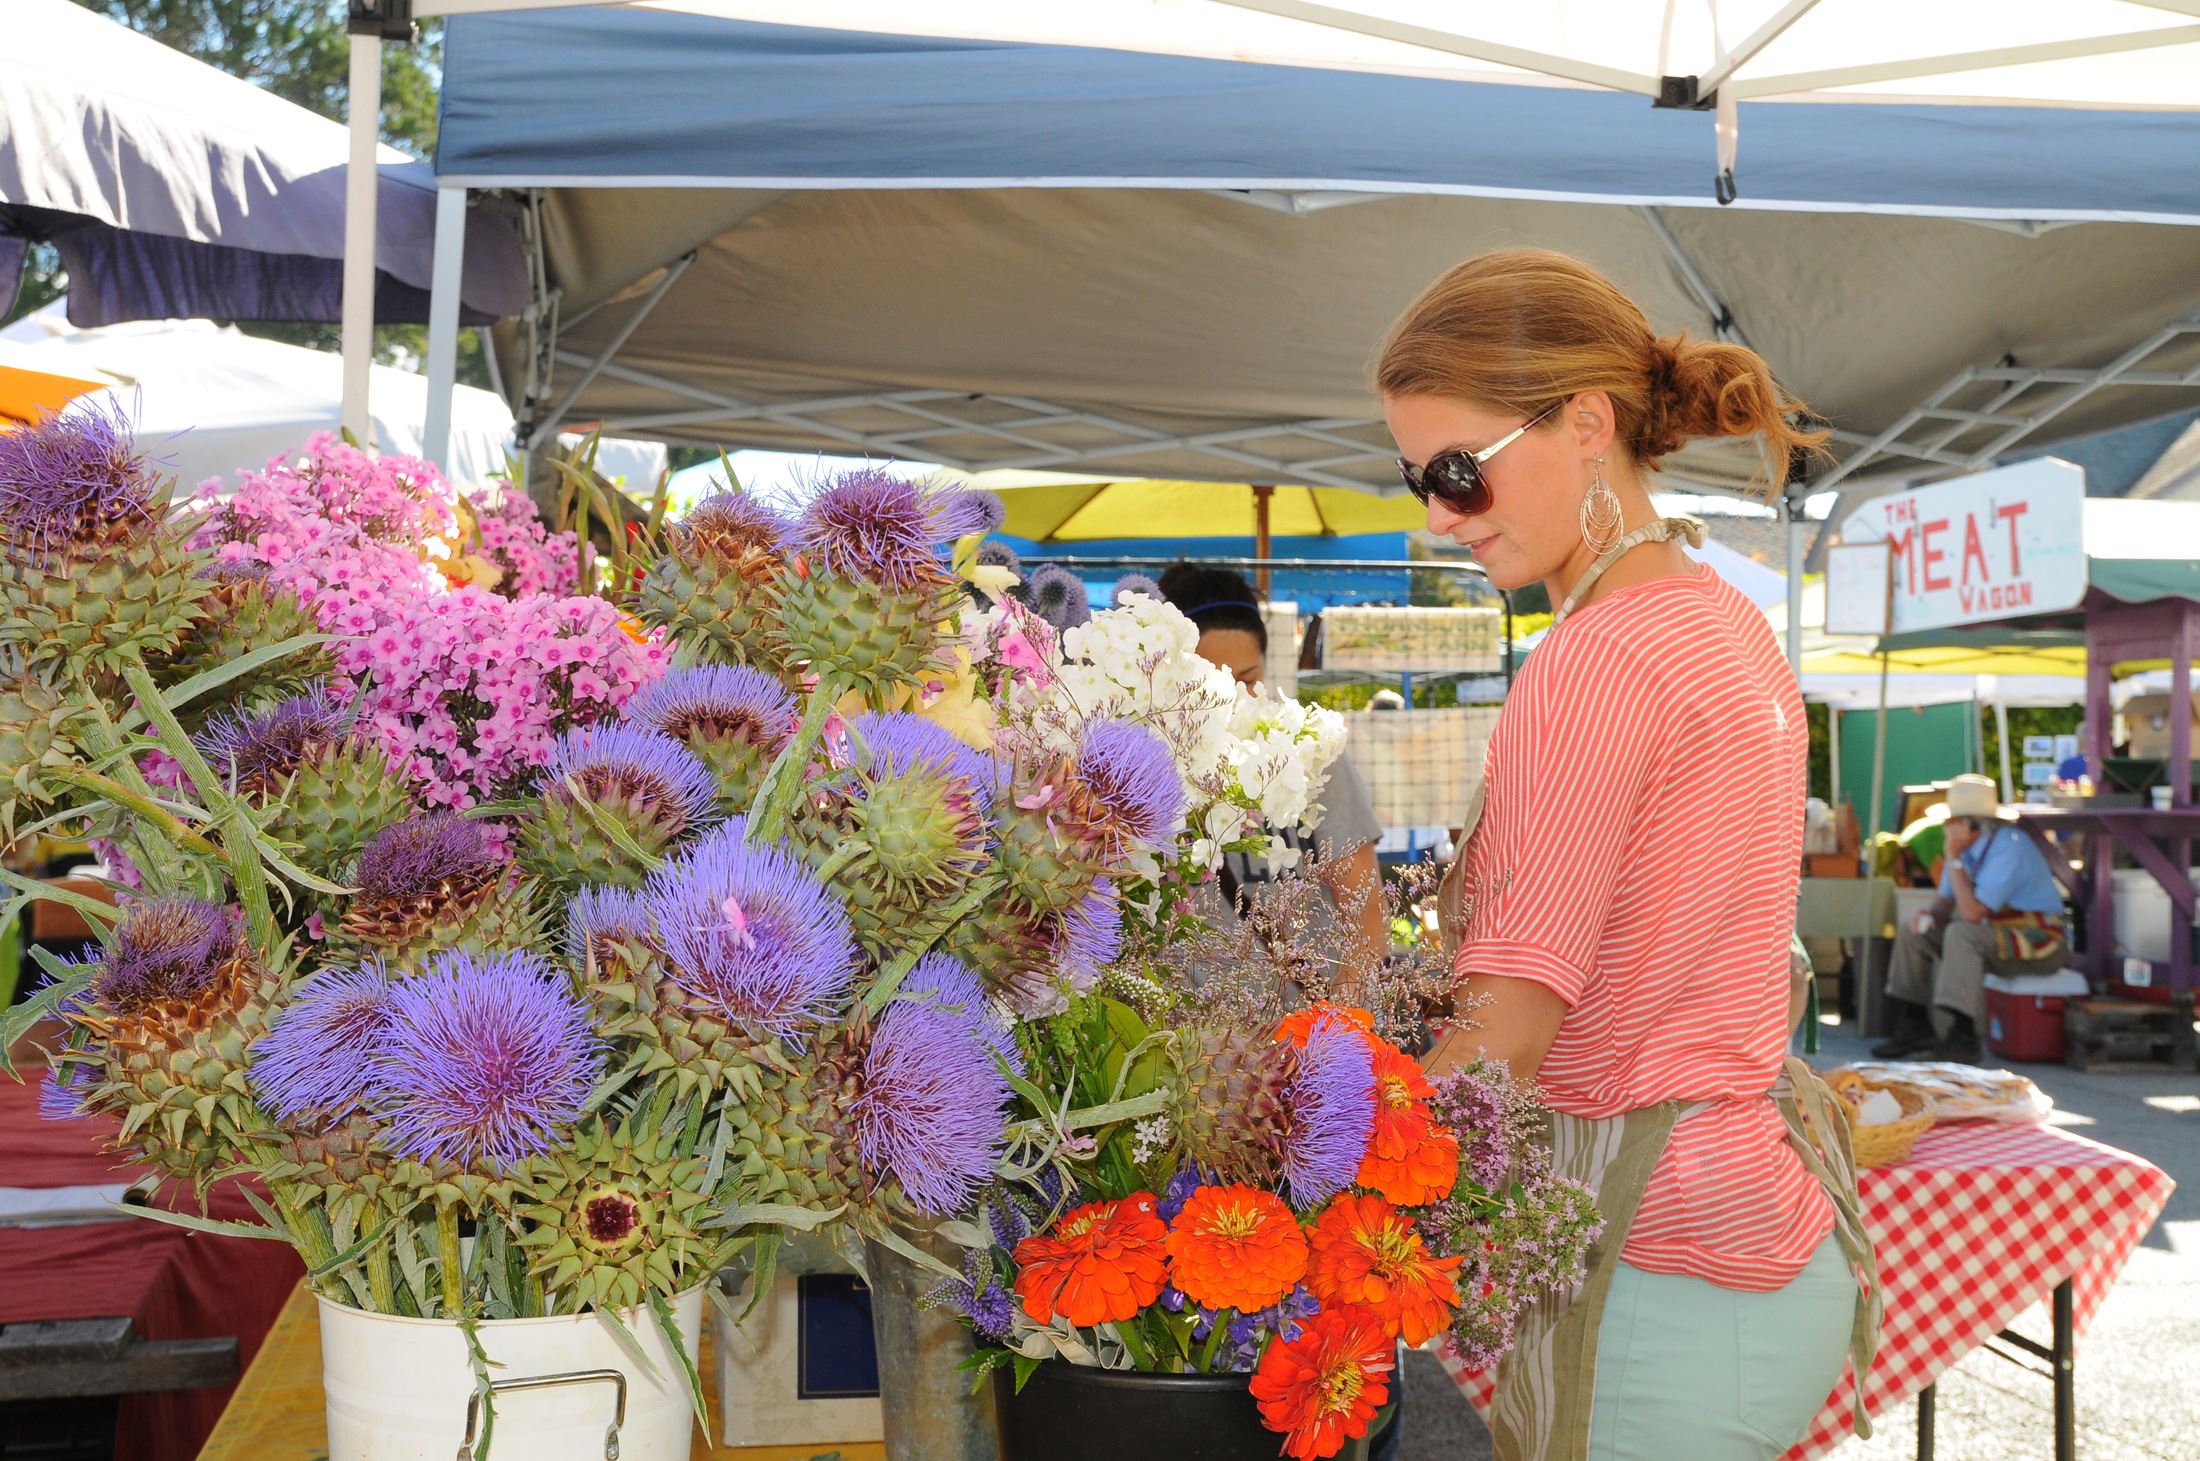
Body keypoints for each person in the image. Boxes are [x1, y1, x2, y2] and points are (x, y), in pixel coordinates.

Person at [1386, 248, 1874, 1460]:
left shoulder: (1594, 657)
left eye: (1458, 471)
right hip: (1733, 1240)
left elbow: (1512, 1028)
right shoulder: (1719, 618)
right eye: (1415, 482)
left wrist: (1315, 1157)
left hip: (1661, 1264)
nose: (1439, 515)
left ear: (1587, 423)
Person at [1154, 563, 1391, 977]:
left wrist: (1344, 1025)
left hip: (1313, 1025)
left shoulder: (1312, 753)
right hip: (1187, 1035)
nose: (1230, 700)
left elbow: (1366, 912)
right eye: (1207, 681)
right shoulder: (1148, 767)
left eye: (1247, 679)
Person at [1875, 773, 2068, 1063]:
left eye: (1953, 821)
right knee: (1913, 930)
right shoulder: (1966, 850)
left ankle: (1963, 1037)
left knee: (1961, 933)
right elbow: (1945, 902)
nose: (1946, 827)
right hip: (1997, 936)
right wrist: (1927, 915)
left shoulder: (2009, 846)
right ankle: (1915, 1022)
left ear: (1974, 824)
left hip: (2040, 942)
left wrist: (1952, 855)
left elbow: (1972, 913)